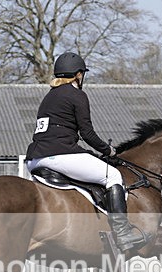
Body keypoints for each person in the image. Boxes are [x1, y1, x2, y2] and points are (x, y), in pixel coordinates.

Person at [25, 51, 144, 253]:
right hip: (59, 156)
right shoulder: (76, 95)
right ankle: (123, 234)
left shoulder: (49, 96)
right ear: (79, 75)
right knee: (113, 176)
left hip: (35, 160)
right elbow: (87, 133)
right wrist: (109, 150)